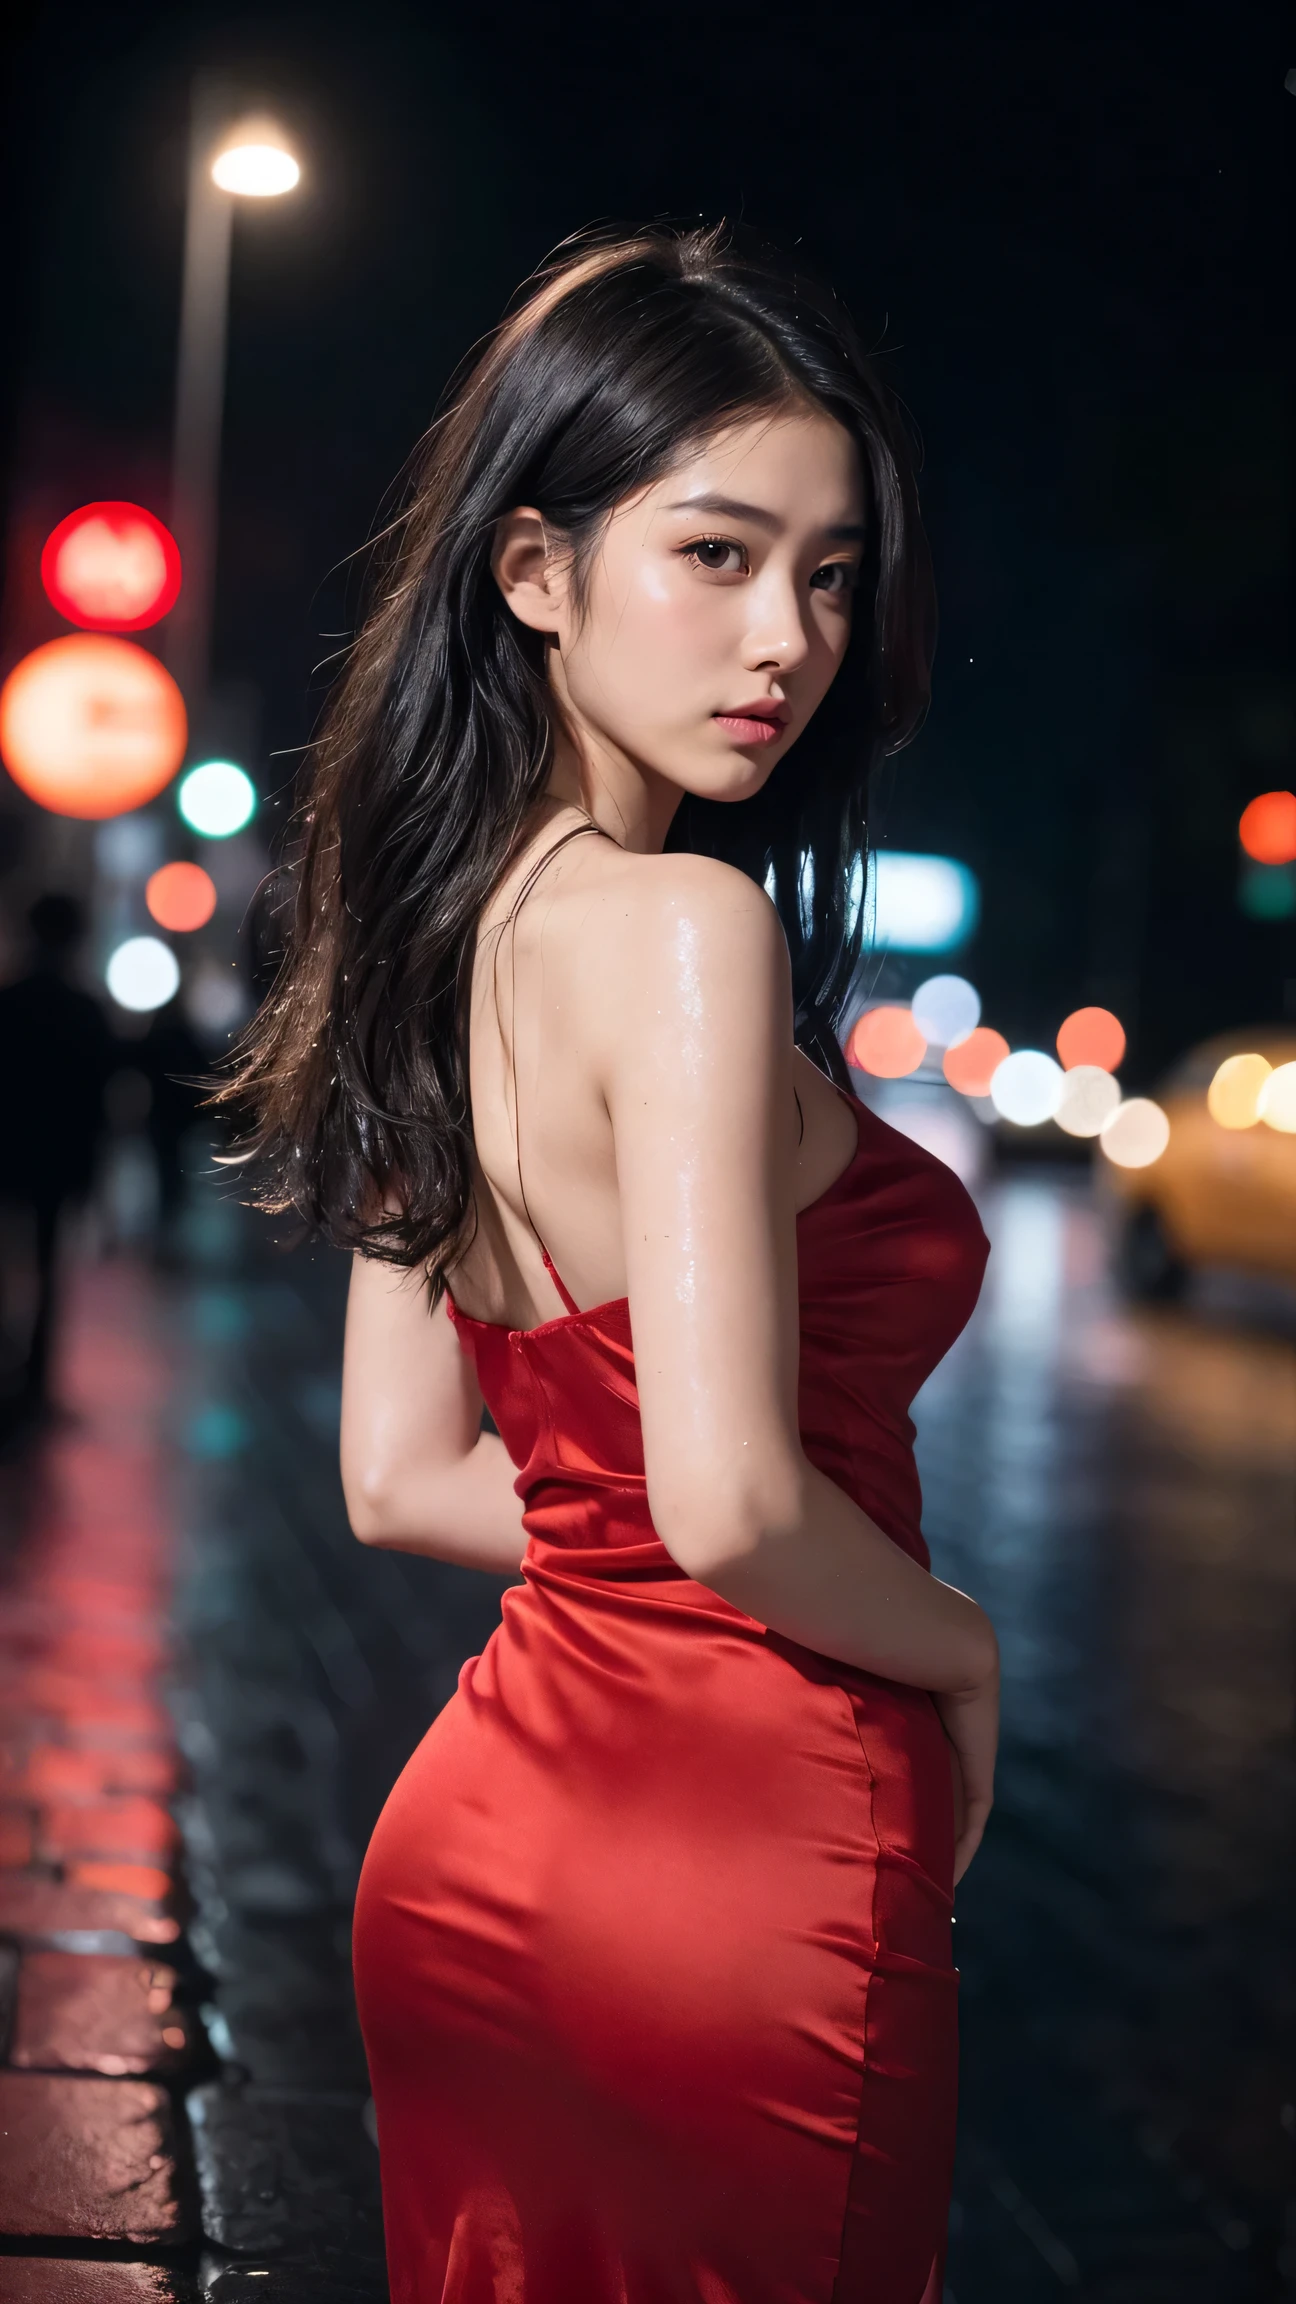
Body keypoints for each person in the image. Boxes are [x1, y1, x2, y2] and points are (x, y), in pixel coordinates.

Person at [220, 226, 999, 2304]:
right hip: (747, 1870)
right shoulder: (685, 933)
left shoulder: (428, 937)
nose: (791, 637)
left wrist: (643, 1559)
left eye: (833, 576)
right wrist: (958, 1650)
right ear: (534, 569)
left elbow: (402, 1476)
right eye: (719, 556)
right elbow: (729, 1500)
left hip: (481, 1858)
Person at [0, 892, 114, 1427]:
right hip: (59, 1158)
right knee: (48, 1270)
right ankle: (35, 1382)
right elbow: (97, 1101)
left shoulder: (9, 1002)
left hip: (9, 1150)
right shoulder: (84, 1010)